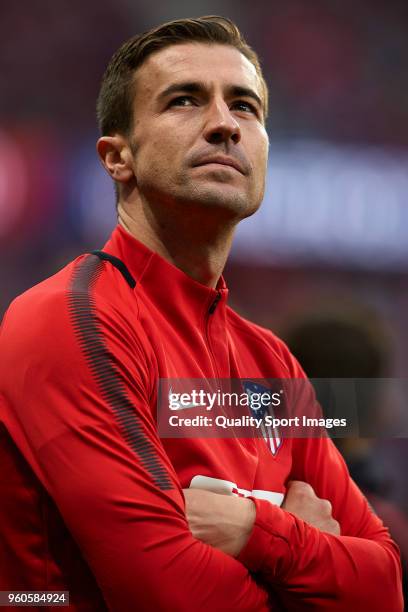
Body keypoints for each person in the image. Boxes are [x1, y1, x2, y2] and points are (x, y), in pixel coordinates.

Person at [0, 16, 403, 611]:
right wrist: (305, 548)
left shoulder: (273, 363)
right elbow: (170, 596)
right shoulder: (69, 319)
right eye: (184, 101)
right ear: (117, 158)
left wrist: (249, 529)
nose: (224, 125)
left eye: (245, 106)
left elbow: (385, 589)